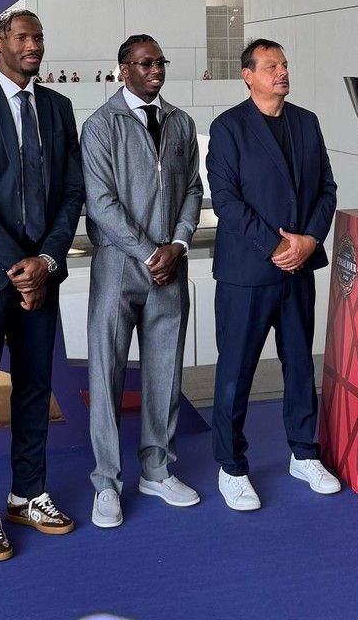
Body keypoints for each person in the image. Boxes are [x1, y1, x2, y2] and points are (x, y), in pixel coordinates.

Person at [0, 10, 86, 561]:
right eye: (22, 36)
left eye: (39, 37)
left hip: (42, 273)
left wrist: (46, 260)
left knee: (33, 385)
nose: (33, 45)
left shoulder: (58, 107)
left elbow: (71, 191)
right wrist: (17, 265)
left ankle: (27, 493)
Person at [208, 38, 341, 511]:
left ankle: (304, 454)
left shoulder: (306, 122)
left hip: (298, 268)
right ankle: (231, 466)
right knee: (235, 373)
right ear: (247, 76)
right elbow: (226, 200)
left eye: (284, 64)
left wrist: (309, 240)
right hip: (247, 273)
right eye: (270, 66)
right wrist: (277, 246)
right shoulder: (228, 127)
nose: (282, 72)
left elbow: (327, 188)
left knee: (300, 365)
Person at [80, 35, 203, 527]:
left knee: (164, 372)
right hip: (119, 265)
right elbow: (100, 202)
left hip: (170, 266)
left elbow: (192, 187)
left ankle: (156, 469)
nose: (156, 70)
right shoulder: (100, 125)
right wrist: (148, 251)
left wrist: (178, 243)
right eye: (145, 63)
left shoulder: (181, 122)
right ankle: (106, 482)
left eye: (160, 62)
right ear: (123, 69)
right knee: (106, 373)